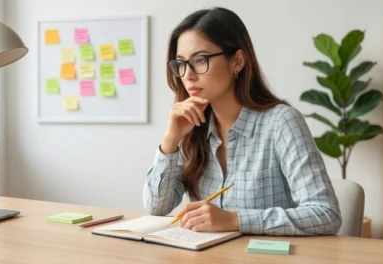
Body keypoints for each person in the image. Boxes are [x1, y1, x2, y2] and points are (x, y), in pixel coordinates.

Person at [143, 7, 341, 236]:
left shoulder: (281, 122)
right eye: (181, 64)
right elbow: (157, 208)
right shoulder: (191, 127)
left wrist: (235, 219)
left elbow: (326, 214)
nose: (188, 74)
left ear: (237, 61)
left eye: (200, 60)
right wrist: (171, 140)